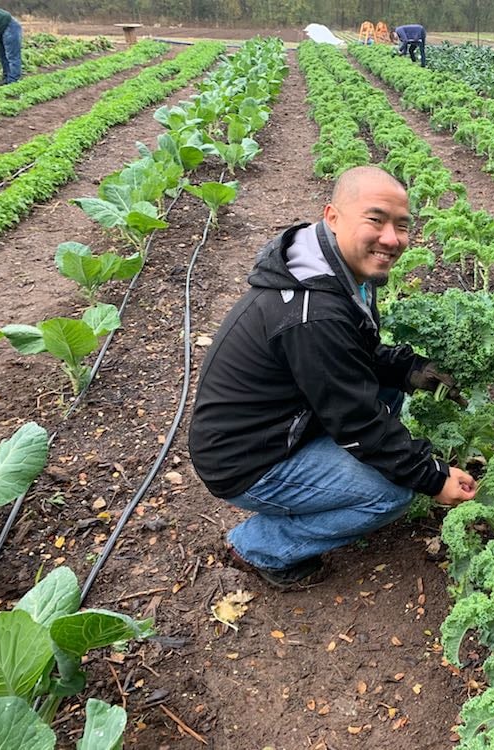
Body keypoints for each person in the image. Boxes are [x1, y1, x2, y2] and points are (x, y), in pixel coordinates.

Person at [189, 166, 477, 590]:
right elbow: (356, 419)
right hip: (248, 461)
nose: (392, 238)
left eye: (402, 225)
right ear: (333, 216)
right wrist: (432, 477)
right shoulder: (313, 312)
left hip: (279, 422)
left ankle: (314, 491)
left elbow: (353, 354)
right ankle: (257, 546)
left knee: (390, 394)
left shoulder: (334, 268)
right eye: (375, 220)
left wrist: (409, 370)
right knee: (391, 493)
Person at [0, 7, 22, 85]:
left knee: (12, 55)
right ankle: (6, 78)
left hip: (9, 26)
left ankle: (13, 81)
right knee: (1, 56)